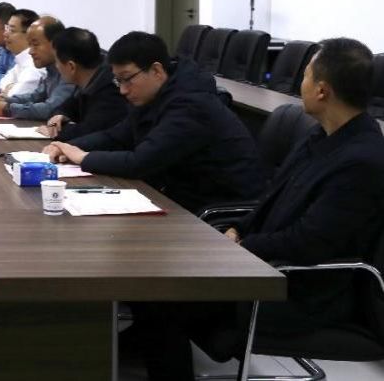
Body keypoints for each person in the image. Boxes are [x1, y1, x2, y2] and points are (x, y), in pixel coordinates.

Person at [126, 37, 384, 381]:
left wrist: (244, 246)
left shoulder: (362, 160)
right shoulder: (322, 136)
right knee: (156, 281)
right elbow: (271, 199)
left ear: (322, 91)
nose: (301, 84)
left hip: (302, 289)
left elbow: (311, 242)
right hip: (267, 267)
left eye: (305, 76)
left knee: (161, 297)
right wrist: (240, 228)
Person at [46, 31, 265, 213]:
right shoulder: (154, 95)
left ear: (157, 70)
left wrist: (83, 157)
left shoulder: (191, 105)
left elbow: (140, 162)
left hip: (217, 210)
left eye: (127, 79)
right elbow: (116, 136)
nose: (122, 90)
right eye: (118, 81)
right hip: (180, 196)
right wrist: (67, 146)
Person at [40, 27, 128, 140]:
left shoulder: (110, 90)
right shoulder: (88, 81)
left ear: (71, 67)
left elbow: (89, 132)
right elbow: (66, 107)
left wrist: (56, 131)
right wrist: (59, 116)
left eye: (57, 62)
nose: (56, 67)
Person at [0, 16, 75, 119]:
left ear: (56, 44)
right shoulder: (51, 69)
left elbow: (51, 109)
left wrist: (8, 109)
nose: (30, 52)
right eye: (30, 45)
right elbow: (35, 97)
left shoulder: (69, 70)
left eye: (35, 44)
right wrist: (6, 100)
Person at [0, 8, 40, 100]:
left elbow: (15, 95)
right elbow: (3, 82)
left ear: (29, 35)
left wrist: (10, 90)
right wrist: (10, 86)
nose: (5, 34)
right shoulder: (20, 61)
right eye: (7, 29)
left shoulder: (35, 65)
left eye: (12, 30)